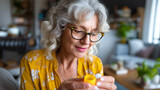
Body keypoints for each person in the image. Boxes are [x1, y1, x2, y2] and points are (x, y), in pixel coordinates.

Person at [20, 0, 117, 90]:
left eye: (94, 33)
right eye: (78, 31)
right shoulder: (32, 63)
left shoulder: (94, 64)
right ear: (60, 28)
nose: (87, 42)